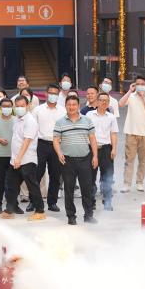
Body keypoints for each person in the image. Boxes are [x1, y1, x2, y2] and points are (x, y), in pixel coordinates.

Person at [54, 96, 99, 225]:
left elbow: (92, 139)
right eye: (69, 104)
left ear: (78, 106)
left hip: (85, 159)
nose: (71, 107)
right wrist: (59, 153)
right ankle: (71, 216)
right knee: (68, 189)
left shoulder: (87, 120)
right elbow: (56, 140)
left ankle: (88, 215)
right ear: (65, 106)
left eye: (74, 104)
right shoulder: (60, 122)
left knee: (86, 189)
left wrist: (95, 156)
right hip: (67, 161)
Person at [1, 96, 44, 221]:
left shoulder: (30, 121)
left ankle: (40, 210)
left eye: (22, 106)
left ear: (28, 105)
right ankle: (9, 210)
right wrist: (15, 158)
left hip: (27, 159)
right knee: (11, 185)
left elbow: (27, 141)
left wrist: (19, 158)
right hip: (15, 159)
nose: (19, 108)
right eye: (17, 106)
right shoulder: (17, 119)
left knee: (32, 185)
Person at [119, 74, 145, 193]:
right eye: (138, 84)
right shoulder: (131, 96)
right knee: (129, 159)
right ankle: (127, 183)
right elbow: (121, 104)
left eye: (142, 84)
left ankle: (140, 182)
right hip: (131, 132)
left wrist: (143, 98)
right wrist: (129, 91)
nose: (140, 86)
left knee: (143, 160)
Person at [34, 85, 66, 212]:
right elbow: (32, 128)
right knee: (37, 174)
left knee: (55, 175)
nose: (53, 96)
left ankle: (52, 202)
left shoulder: (63, 110)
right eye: (51, 93)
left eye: (56, 94)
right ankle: (34, 201)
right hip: (41, 144)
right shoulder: (38, 110)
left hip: (57, 145)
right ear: (46, 94)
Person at [88, 91, 119, 211]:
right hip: (92, 149)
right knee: (90, 177)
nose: (104, 102)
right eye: (101, 100)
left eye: (106, 100)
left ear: (109, 103)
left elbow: (114, 134)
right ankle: (91, 202)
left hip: (106, 149)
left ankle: (107, 201)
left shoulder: (111, 117)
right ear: (97, 102)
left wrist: (114, 149)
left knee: (107, 177)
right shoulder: (89, 115)